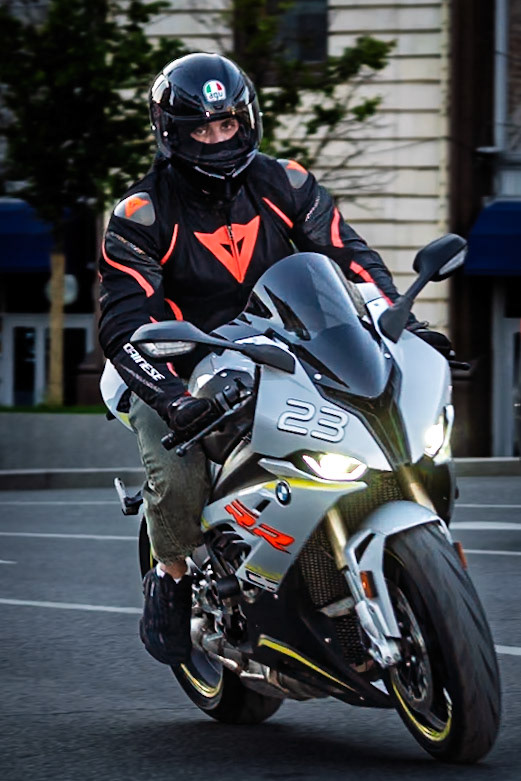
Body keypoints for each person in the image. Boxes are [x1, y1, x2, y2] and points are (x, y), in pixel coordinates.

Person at [98, 52, 451, 668]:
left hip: (282, 345)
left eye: (227, 124)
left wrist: (405, 326)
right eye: (201, 129)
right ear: (172, 134)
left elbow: (348, 257)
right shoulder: (142, 214)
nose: (217, 138)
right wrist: (173, 398)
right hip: (176, 363)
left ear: (247, 120)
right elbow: (127, 324)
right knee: (178, 472)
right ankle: (172, 575)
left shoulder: (284, 182)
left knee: (378, 421)